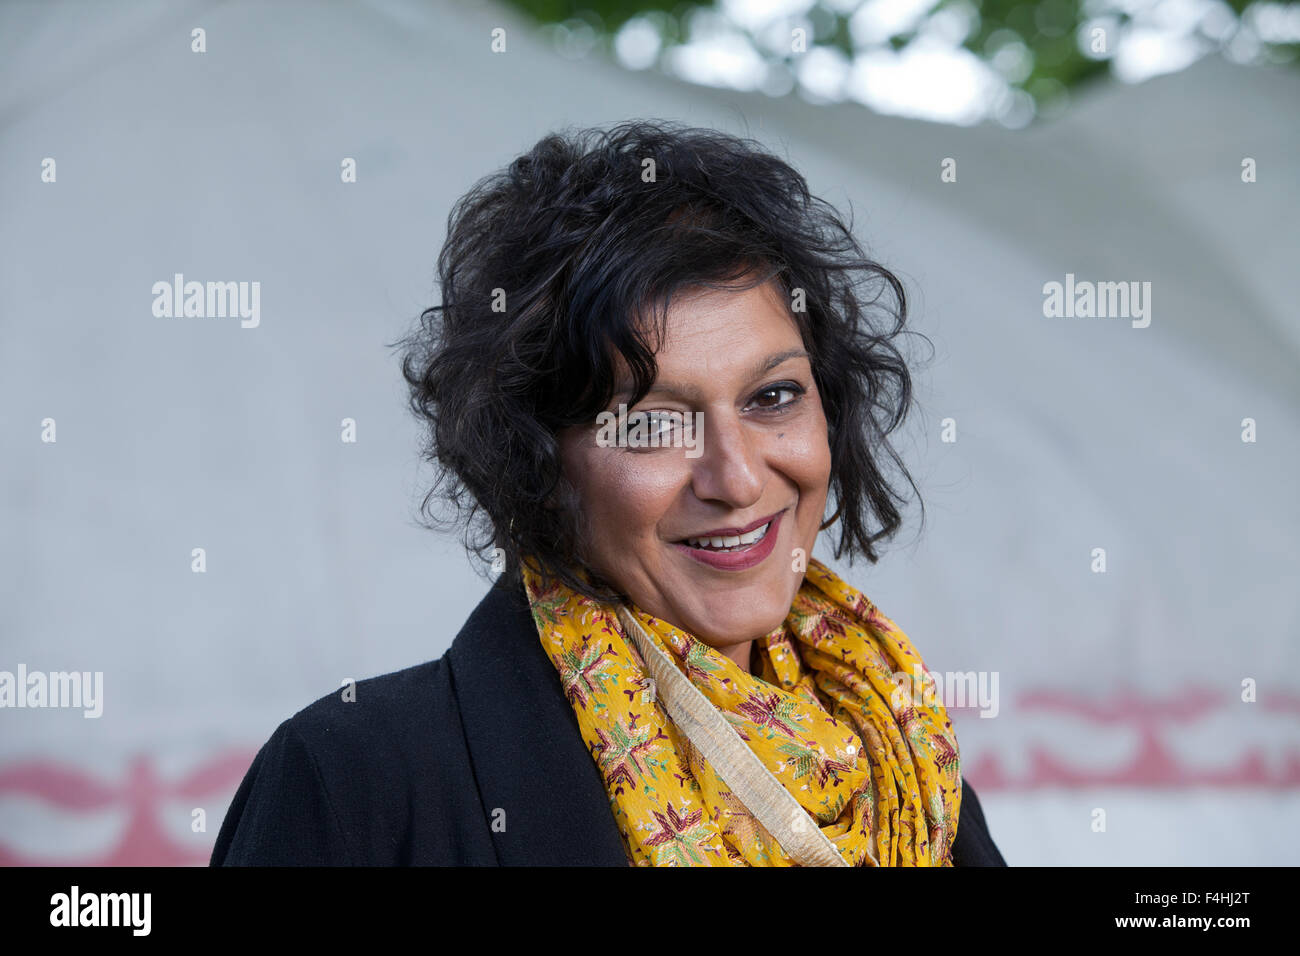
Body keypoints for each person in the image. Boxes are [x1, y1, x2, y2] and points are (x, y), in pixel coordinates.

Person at [211, 121, 1006, 866]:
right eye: (655, 425)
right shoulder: (360, 783)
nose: (734, 478)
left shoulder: (903, 766)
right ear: (536, 461)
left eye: (772, 398)